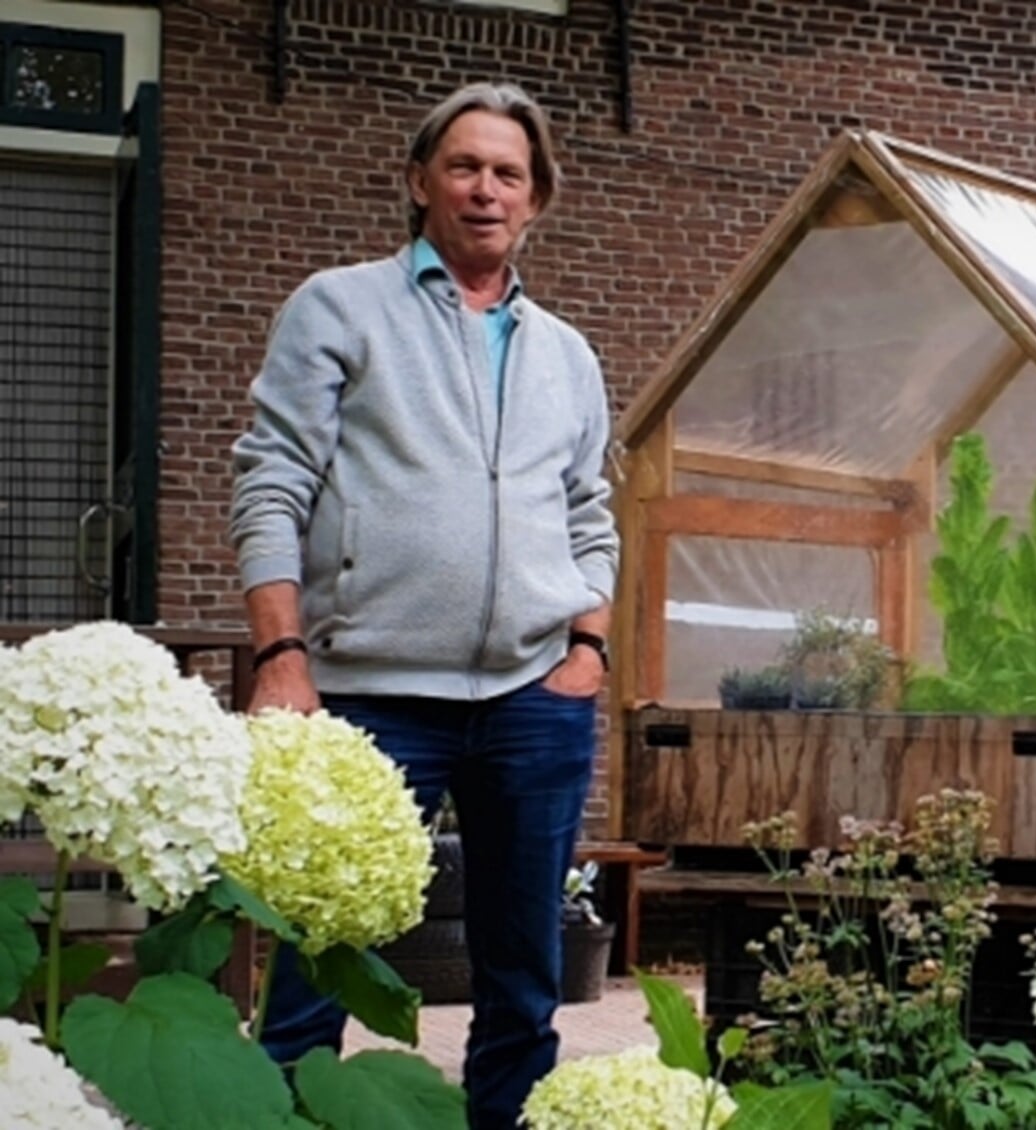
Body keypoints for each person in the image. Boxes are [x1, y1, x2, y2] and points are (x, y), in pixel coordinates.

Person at [228, 82, 617, 1129]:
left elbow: (590, 509)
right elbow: (271, 480)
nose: (485, 190)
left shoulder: (567, 353)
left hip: (535, 697)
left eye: (508, 173)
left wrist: (587, 643)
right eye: (463, 166)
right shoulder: (338, 307)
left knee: (524, 968)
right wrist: (282, 655)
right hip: (368, 692)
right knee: (319, 956)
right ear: (418, 181)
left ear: (536, 199)